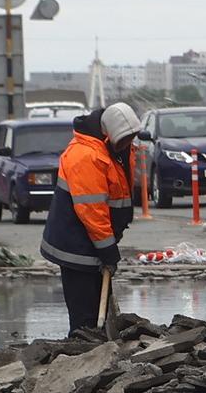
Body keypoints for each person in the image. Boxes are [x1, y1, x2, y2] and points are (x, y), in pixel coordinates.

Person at [41, 103, 141, 335]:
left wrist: (113, 236)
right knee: (85, 314)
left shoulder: (114, 151)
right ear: (109, 135)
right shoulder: (86, 156)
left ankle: (97, 345)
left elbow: (117, 197)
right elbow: (92, 210)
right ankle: (83, 353)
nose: (129, 144)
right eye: (125, 140)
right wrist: (107, 250)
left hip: (95, 240)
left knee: (99, 306)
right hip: (76, 243)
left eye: (132, 139)